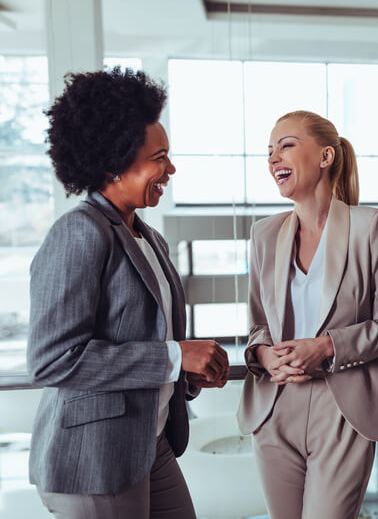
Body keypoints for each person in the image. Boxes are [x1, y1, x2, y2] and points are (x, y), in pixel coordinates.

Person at [27, 67, 230, 519]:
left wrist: (186, 375)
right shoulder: (79, 233)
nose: (170, 169)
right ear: (114, 163)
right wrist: (175, 357)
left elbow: (144, 337)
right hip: (94, 458)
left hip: (148, 443)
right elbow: (52, 360)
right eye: (159, 157)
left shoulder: (146, 236)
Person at [237, 110, 378, 519]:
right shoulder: (264, 233)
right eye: (269, 150)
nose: (273, 157)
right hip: (274, 405)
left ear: (326, 156)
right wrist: (263, 355)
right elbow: (257, 324)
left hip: (344, 406)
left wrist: (328, 346)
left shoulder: (371, 227)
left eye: (287, 145)